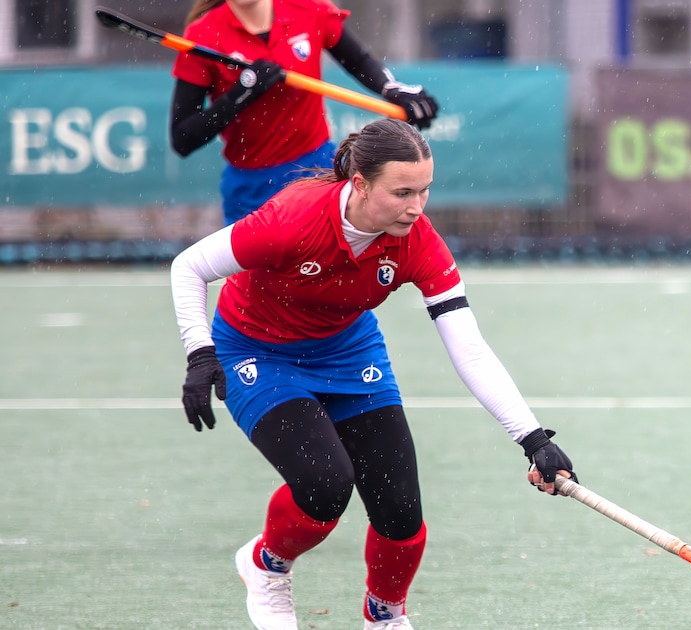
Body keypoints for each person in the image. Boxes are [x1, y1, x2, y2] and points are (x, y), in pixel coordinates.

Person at [169, 118, 576, 630]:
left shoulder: (418, 242)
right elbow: (189, 267)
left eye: (425, 191)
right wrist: (199, 354)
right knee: (324, 485)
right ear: (359, 183)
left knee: (400, 509)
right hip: (258, 349)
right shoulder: (291, 220)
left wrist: (532, 437)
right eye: (402, 192)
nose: (416, 207)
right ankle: (266, 566)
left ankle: (384, 616)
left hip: (348, 351)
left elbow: (468, 347)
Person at [170, 0, 439, 226]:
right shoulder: (202, 36)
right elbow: (183, 138)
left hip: (319, 172)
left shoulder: (309, 10)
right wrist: (242, 93)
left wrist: (391, 89)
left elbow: (357, 60)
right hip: (251, 187)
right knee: (252, 288)